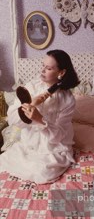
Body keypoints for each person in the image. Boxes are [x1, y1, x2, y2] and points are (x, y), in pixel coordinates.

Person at [0, 50, 80, 184]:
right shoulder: (31, 86)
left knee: (44, 172)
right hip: (29, 145)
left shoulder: (68, 100)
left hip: (53, 149)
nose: (42, 70)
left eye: (48, 68)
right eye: (42, 65)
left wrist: (39, 119)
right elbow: (14, 120)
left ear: (61, 72)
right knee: (3, 161)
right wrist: (29, 106)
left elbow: (59, 136)